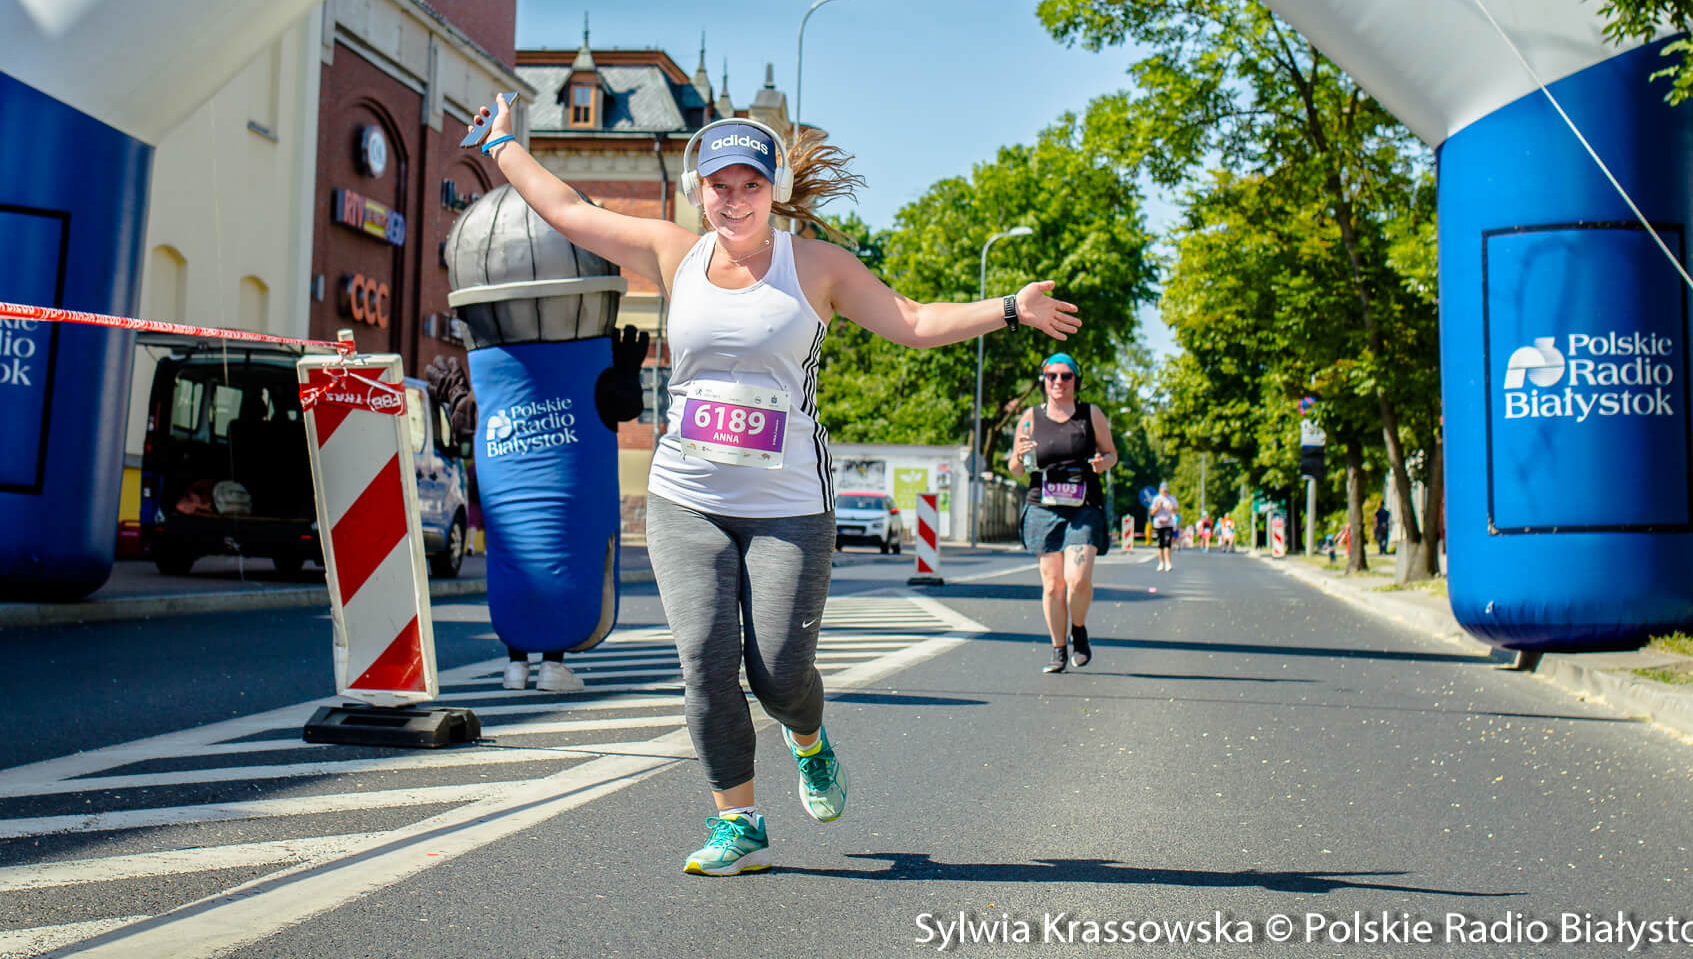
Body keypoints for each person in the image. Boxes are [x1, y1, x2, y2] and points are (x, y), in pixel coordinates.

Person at [466, 93, 1080, 876]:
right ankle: (739, 821)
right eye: (719, 184)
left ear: (776, 189)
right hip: (686, 495)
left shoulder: (815, 267)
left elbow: (913, 320)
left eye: (750, 185)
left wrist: (1010, 310)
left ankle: (808, 737)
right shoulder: (671, 251)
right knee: (704, 663)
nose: (734, 199)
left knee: (780, 672)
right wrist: (505, 145)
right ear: (698, 189)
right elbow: (565, 210)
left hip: (789, 504)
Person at [1008, 352, 1118, 675]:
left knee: (1078, 579)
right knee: (1053, 584)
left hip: (1083, 507)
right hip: (1043, 506)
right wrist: (1019, 455)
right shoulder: (1030, 418)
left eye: (1065, 376)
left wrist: (1102, 463)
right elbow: (1015, 468)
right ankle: (1058, 649)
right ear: (1043, 381)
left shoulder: (1090, 414)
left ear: (1076, 380)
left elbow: (1111, 454)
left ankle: (1078, 631)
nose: (1058, 382)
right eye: (1051, 376)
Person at [1149, 481, 1179, 571]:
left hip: (1168, 523)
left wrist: (1172, 508)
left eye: (1166, 490)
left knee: (1167, 543)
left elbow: (1176, 511)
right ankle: (1161, 562)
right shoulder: (1156, 499)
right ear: (1160, 490)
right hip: (1158, 524)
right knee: (1160, 544)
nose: (1165, 492)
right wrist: (1158, 507)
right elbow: (1152, 513)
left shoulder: (1172, 498)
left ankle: (1168, 562)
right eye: (1163, 490)